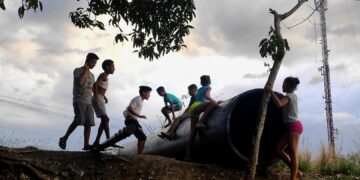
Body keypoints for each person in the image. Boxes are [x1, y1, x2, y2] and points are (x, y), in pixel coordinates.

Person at [265, 76, 303, 180]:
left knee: (293, 152)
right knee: (279, 149)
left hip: (294, 126)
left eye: (283, 84)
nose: (282, 85)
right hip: (292, 126)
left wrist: (271, 91)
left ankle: (293, 177)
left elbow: (279, 104)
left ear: (288, 86)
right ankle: (297, 172)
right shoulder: (292, 96)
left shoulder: (289, 96)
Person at [59, 52, 99, 150]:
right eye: (93, 62)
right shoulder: (78, 70)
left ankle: (86, 144)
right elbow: (80, 83)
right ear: (87, 60)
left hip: (89, 101)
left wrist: (98, 96)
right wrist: (85, 71)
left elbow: (93, 87)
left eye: (95, 63)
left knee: (89, 123)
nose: (94, 65)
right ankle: (64, 138)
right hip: (79, 100)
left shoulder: (92, 75)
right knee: (79, 119)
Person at [185, 75, 222, 161]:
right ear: (209, 81)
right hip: (197, 106)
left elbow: (203, 97)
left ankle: (187, 156)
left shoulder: (200, 89)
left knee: (192, 134)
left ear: (201, 83)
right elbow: (206, 96)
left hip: (193, 108)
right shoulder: (208, 87)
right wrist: (216, 102)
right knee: (212, 104)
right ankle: (201, 122)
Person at [92, 59, 115, 147]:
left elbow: (99, 86)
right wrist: (97, 96)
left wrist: (104, 96)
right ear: (107, 67)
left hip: (100, 97)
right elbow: (94, 85)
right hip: (98, 98)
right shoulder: (103, 74)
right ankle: (109, 140)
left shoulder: (106, 76)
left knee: (105, 120)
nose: (114, 68)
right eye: (113, 67)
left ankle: (97, 141)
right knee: (105, 119)